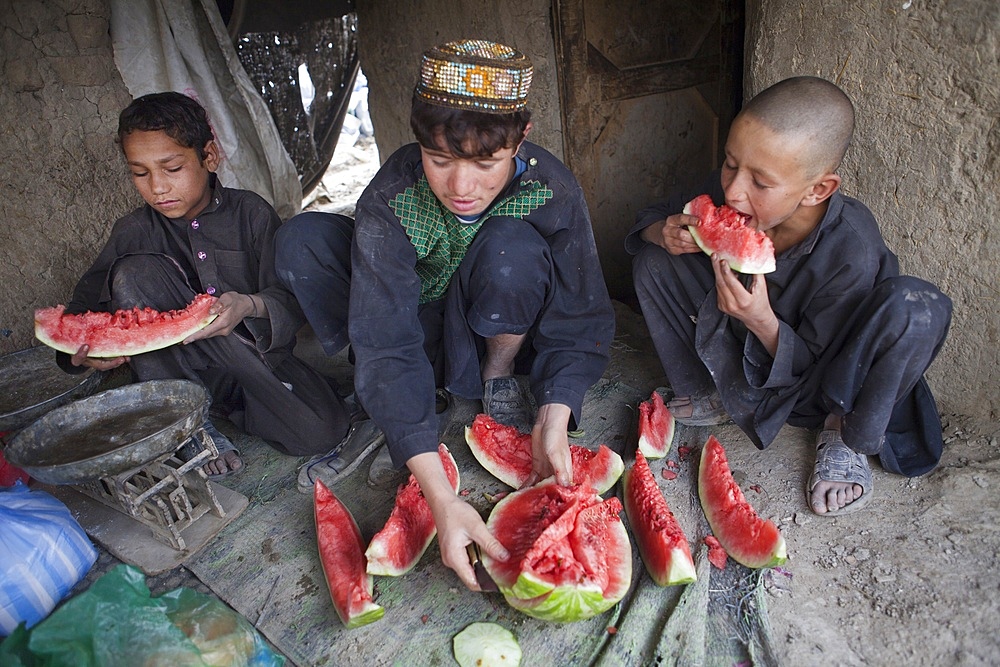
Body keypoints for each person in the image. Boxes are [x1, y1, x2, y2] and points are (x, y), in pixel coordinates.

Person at [275, 39, 615, 589]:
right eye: (439, 160)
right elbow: (386, 336)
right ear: (418, 144)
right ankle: (394, 405)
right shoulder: (393, 195)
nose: (462, 186)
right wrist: (440, 496)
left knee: (511, 253)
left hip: (496, 319)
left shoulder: (549, 185)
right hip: (420, 319)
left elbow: (582, 311)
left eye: (486, 163)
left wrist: (556, 413)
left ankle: (496, 377)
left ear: (520, 137)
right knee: (302, 241)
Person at [626, 76, 952, 517]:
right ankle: (712, 390)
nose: (734, 190)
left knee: (919, 307)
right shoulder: (736, 191)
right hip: (746, 353)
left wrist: (761, 319)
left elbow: (815, 364)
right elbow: (649, 220)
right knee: (653, 260)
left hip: (826, 383)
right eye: (729, 163)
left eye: (760, 182)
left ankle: (844, 439)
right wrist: (661, 232)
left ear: (818, 189)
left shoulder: (850, 247)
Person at [58, 91, 363, 479]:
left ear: (209, 156)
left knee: (323, 431)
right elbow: (82, 315)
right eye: (140, 173)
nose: (158, 187)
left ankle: (236, 408)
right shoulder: (132, 231)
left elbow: (289, 299)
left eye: (171, 168)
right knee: (133, 273)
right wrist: (84, 354)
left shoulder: (251, 213)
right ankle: (190, 426)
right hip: (173, 372)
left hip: (255, 361)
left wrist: (249, 305)